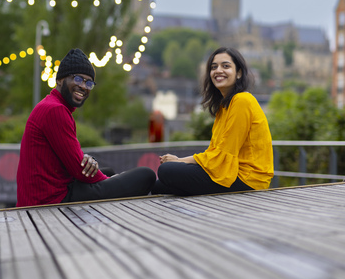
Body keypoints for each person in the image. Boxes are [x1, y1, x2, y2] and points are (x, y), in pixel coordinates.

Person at [16, 48, 156, 207]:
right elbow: (78, 170)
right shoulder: (55, 110)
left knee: (108, 171)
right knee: (146, 175)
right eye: (78, 79)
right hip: (50, 201)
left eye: (89, 83)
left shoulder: (50, 105)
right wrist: (110, 183)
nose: (84, 86)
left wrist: (94, 167)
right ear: (60, 80)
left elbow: (74, 163)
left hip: (47, 194)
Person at [152, 46, 274, 196]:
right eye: (213, 67)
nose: (218, 71)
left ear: (239, 73)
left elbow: (224, 154)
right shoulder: (224, 106)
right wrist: (179, 161)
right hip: (231, 172)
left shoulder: (242, 100)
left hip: (248, 179)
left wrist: (179, 161)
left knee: (167, 171)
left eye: (226, 66)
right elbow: (214, 152)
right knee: (158, 185)